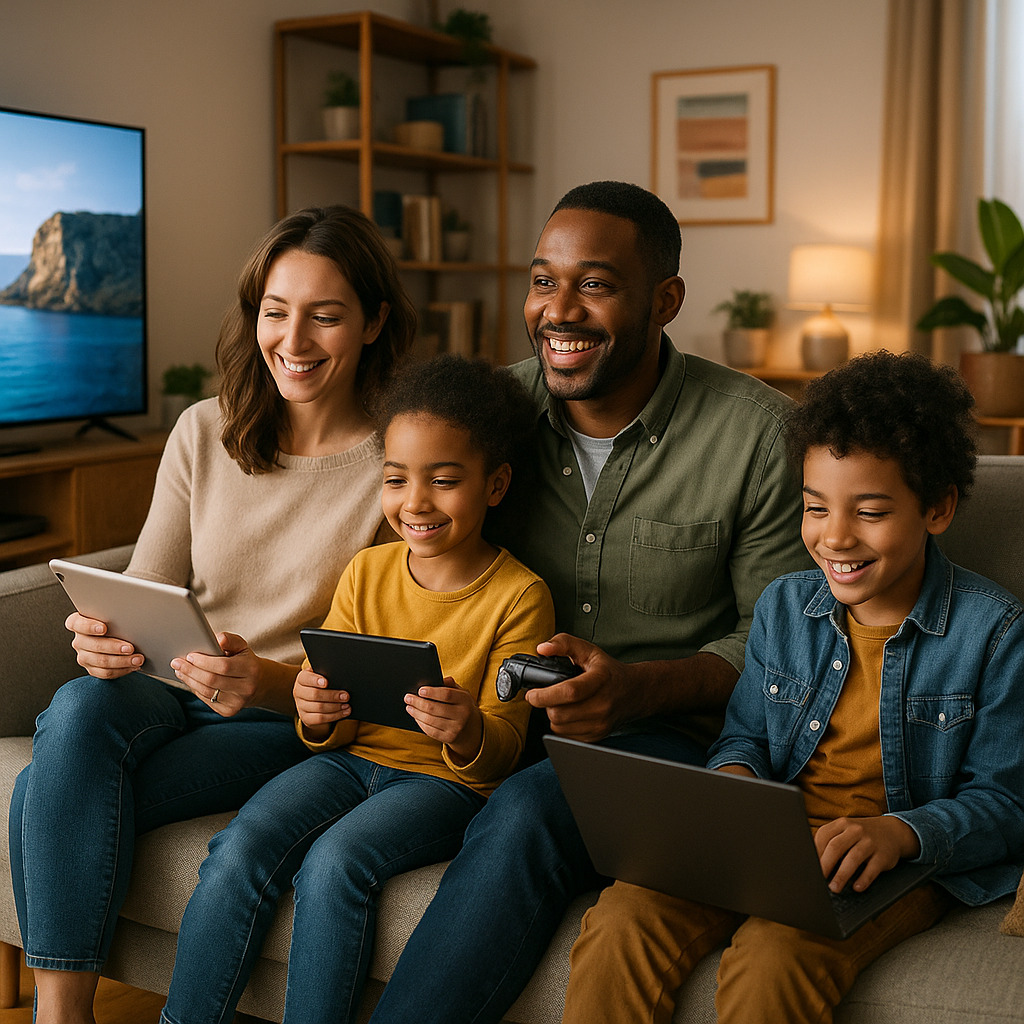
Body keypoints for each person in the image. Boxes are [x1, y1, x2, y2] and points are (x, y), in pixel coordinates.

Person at [366, 181, 810, 1024]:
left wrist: (635, 691)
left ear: (665, 300)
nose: (558, 311)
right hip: (486, 721)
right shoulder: (485, 419)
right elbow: (402, 536)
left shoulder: (756, 435)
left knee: (528, 811)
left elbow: (778, 642)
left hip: (665, 739)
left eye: (595, 284)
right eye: (543, 281)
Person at [8, 204, 416, 1024]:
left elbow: (371, 677)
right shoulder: (205, 429)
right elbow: (149, 586)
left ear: (374, 323)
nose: (292, 340)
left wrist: (261, 681)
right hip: (169, 687)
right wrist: (102, 639)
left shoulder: (399, 464)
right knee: (80, 704)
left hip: (286, 719)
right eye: (275, 311)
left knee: (45, 792)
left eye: (325, 316)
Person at [560, 350, 1024, 1024]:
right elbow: (744, 736)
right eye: (815, 508)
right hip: (766, 845)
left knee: (773, 959)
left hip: (894, 863)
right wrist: (736, 781)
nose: (835, 537)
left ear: (937, 508)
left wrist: (899, 833)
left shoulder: (995, 632)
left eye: (870, 512)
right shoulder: (784, 605)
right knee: (622, 919)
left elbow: (1005, 804)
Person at [157, 353, 555, 1024]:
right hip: (349, 762)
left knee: (335, 864)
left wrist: (466, 729)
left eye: (444, 480)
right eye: (396, 479)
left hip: (442, 784)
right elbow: (329, 714)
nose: (415, 502)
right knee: (239, 847)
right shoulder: (366, 572)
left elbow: (503, 753)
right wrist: (315, 713)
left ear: (495, 484)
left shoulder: (520, 597)